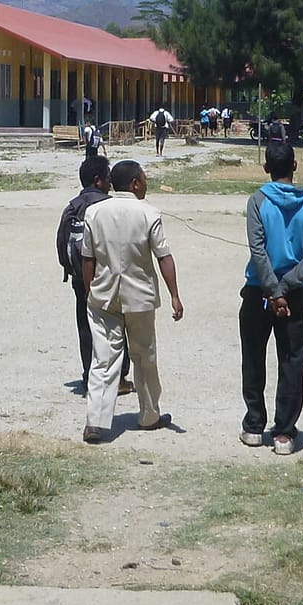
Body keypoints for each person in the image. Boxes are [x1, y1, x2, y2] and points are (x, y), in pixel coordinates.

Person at [79, 160, 183, 442]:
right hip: (140, 297)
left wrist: (91, 292)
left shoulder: (94, 212)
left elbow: (87, 258)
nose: (146, 184)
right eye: (144, 179)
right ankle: (149, 415)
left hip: (104, 296)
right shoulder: (149, 213)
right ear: (135, 183)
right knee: (144, 356)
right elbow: (163, 256)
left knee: (103, 359)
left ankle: (96, 423)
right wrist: (174, 295)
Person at [240, 140, 303, 454]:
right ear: (295, 166)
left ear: (266, 168)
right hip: (296, 293)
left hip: (259, 291)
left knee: (253, 357)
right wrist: (287, 287)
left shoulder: (258, 201)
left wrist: (274, 290)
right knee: (291, 360)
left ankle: (253, 425)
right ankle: (285, 433)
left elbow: (258, 251)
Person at [53, 156, 111, 396]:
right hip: (107, 278)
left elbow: (60, 242)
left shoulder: (73, 205)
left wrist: (71, 269)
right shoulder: (107, 206)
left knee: (85, 327)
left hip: (79, 278)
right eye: (107, 177)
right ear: (98, 181)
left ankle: (89, 375)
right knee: (113, 328)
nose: (110, 181)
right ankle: (116, 377)